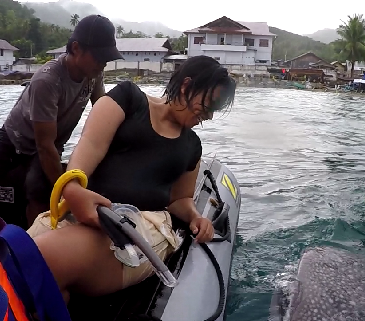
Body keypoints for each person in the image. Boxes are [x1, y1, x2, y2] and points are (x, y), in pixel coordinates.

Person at [26, 55, 237, 304]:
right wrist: (72, 188)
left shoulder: (192, 145)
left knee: (38, 259)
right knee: (16, 263)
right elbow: (91, 144)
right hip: (90, 213)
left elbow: (179, 198)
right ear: (186, 85)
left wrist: (196, 217)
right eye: (209, 105)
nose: (210, 116)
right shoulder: (127, 98)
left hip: (142, 225)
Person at [0, 14, 123, 227]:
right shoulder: (47, 81)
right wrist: (68, 192)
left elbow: (103, 112)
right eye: (99, 57)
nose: (103, 64)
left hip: (51, 144)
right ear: (76, 48)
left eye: (106, 59)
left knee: (40, 187)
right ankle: (30, 241)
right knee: (39, 187)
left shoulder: (93, 74)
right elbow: (44, 145)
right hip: (15, 142)